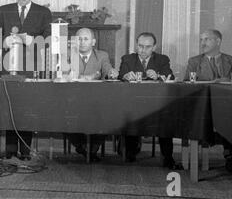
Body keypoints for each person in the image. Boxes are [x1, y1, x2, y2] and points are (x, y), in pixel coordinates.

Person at [0, 0, 52, 160]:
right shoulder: (4, 10)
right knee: (9, 105)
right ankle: (10, 149)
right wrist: (4, 41)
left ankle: (25, 150)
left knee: (26, 108)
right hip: (8, 66)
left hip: (30, 66)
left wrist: (32, 40)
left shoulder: (43, 12)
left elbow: (49, 38)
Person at [119, 32, 182, 170]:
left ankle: (167, 157)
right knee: (129, 114)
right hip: (134, 103)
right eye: (140, 46)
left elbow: (170, 77)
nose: (143, 50)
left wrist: (158, 76)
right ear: (136, 45)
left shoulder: (162, 59)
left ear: (154, 47)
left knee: (165, 119)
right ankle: (130, 153)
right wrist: (125, 75)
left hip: (156, 104)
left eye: (147, 47)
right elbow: (120, 76)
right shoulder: (128, 59)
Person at [184, 29, 232, 173]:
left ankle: (231, 158)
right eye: (201, 40)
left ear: (218, 41)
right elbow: (186, 85)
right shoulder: (194, 61)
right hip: (203, 107)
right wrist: (214, 82)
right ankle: (230, 156)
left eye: (207, 39)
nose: (203, 43)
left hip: (227, 107)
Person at [67, 28, 119, 162]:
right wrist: (88, 76)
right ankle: (82, 148)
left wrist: (111, 72)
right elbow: (64, 74)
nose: (82, 42)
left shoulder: (102, 55)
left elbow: (107, 68)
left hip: (95, 101)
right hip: (73, 100)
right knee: (63, 115)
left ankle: (91, 149)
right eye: (79, 39)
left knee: (107, 115)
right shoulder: (68, 54)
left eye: (86, 39)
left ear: (93, 42)